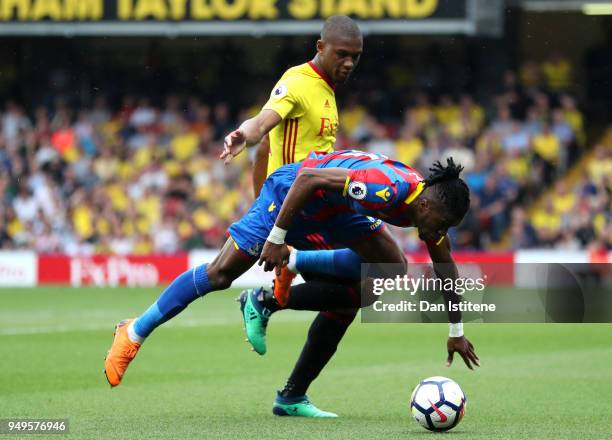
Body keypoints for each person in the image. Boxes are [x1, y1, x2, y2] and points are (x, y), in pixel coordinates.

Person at [104, 151, 480, 417]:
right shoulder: (388, 189)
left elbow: (446, 270)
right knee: (221, 274)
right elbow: (308, 177)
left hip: (336, 208)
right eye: (443, 225)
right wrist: (278, 237)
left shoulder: (423, 209)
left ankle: (295, 263)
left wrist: (456, 330)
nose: (441, 234)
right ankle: (134, 331)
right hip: (290, 193)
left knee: (390, 267)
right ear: (428, 207)